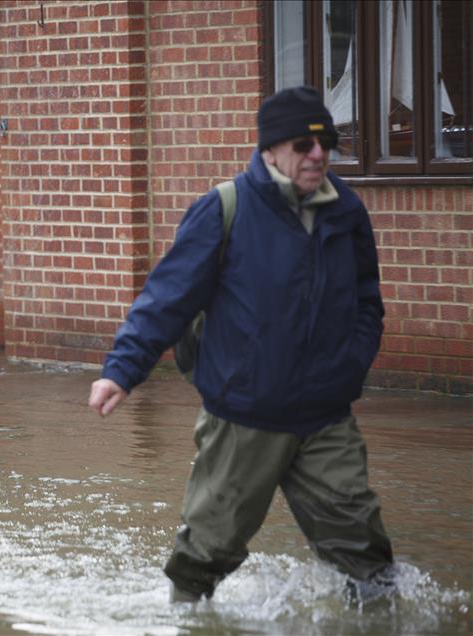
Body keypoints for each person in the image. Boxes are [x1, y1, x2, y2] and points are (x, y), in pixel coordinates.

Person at [88, 86, 395, 604]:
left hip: (325, 415)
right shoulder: (224, 208)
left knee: (368, 558)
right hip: (243, 415)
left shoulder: (346, 210)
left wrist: (352, 365)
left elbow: (368, 299)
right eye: (304, 143)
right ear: (271, 150)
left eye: (327, 141)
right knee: (202, 558)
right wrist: (122, 370)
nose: (319, 153)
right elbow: (168, 297)